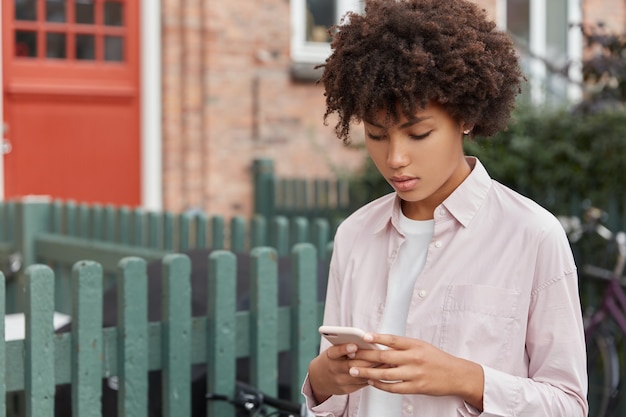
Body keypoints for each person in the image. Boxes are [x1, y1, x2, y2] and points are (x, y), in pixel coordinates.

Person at [301, 0, 588, 416]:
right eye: (377, 135)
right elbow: (335, 402)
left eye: (418, 134)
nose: (395, 158)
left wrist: (466, 378)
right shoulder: (354, 234)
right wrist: (323, 383)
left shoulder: (533, 236)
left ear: (465, 117)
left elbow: (568, 405)